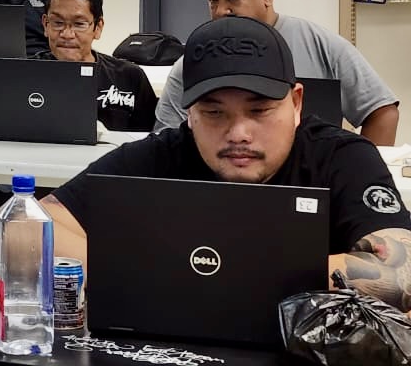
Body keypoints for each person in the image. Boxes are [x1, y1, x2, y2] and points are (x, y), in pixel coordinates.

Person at [44, 16, 411, 310]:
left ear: (296, 103)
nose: (239, 132)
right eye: (214, 112)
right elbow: (32, 225)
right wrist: (145, 272)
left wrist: (219, 273)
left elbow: (401, 271)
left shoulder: (342, 158)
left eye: (259, 110)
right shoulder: (165, 152)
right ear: (189, 114)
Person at [154, 0, 399, 145]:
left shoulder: (320, 45)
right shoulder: (193, 62)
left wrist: (362, 176)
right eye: (213, 1)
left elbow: (382, 111)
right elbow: (165, 141)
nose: (220, 11)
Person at [0, 0, 158, 132]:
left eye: (79, 24)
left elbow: (149, 141)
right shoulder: (20, 75)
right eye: (57, 23)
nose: (67, 34)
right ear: (45, 25)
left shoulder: (128, 77)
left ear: (97, 27)